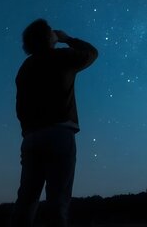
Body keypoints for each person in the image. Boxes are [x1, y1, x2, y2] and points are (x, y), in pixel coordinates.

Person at [12, 19, 98, 227]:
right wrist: (67, 39)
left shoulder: (25, 68)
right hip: (59, 134)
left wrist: (28, 132)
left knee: (26, 200)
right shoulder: (62, 57)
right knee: (57, 201)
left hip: (31, 138)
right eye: (51, 32)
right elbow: (91, 53)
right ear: (48, 37)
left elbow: (20, 109)